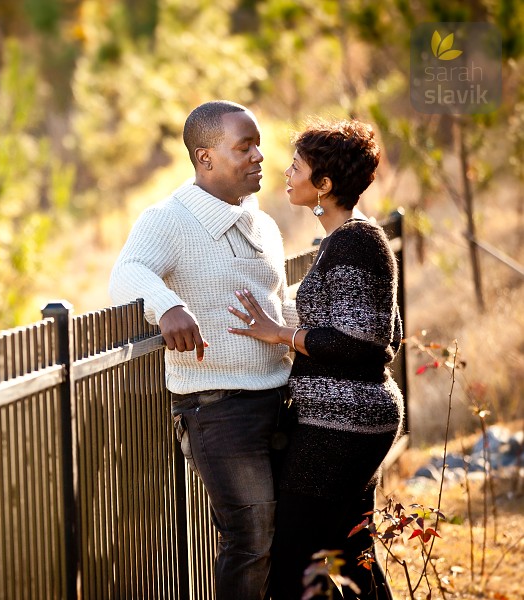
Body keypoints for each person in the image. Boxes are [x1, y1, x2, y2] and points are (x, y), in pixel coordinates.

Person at [108, 100, 296, 600]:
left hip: (281, 399)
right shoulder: (167, 219)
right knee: (251, 536)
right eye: (244, 147)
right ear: (205, 157)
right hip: (218, 409)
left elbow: (279, 305)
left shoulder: (264, 225)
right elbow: (127, 273)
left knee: (288, 534)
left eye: (258, 145)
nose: (259, 156)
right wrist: (167, 307)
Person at [228, 118, 402, 599]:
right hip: (348, 418)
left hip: (341, 424)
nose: (286, 173)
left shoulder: (354, 241)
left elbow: (362, 339)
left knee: (296, 557)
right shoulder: (349, 240)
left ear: (323, 184)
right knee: (350, 550)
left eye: (296, 167)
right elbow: (384, 331)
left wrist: (281, 334)